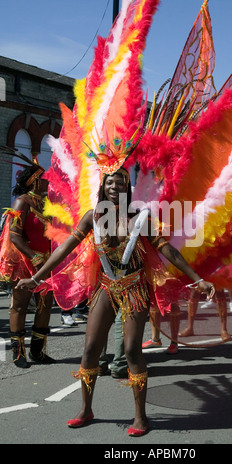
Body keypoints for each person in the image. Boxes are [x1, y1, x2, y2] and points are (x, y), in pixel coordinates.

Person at [16, 168, 215, 436]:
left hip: (135, 288)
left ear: (127, 187)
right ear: (103, 186)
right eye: (109, 181)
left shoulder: (141, 217)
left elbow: (167, 249)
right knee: (90, 350)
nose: (114, 186)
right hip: (106, 287)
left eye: (120, 181)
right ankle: (86, 409)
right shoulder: (93, 217)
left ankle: (140, 417)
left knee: (132, 349)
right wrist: (37, 278)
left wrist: (197, 279)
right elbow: (64, 249)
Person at [0, 159, 55, 368]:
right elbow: (15, 236)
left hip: (46, 261)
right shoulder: (22, 202)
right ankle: (18, 354)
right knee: (20, 306)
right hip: (25, 260)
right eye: (44, 179)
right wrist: (35, 257)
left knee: (45, 305)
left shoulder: (47, 204)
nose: (48, 182)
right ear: (35, 181)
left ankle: (37, 352)